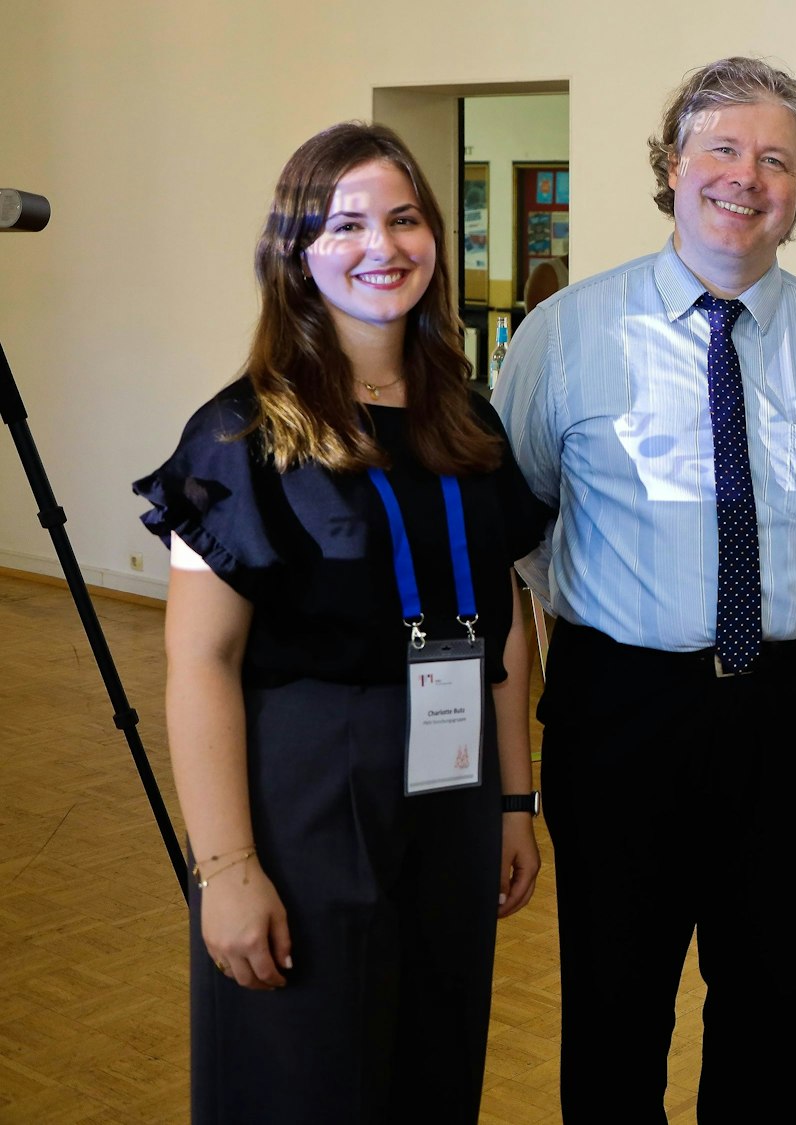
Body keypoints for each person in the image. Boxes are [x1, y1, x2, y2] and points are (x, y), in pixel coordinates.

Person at [492, 57, 796, 1122]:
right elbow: (524, 524)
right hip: (621, 713)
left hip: (792, 713)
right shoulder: (565, 335)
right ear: (672, 166)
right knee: (614, 1004)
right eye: (721, 148)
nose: (745, 177)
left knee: (768, 999)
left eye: (776, 160)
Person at [136, 122, 548, 1124]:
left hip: (452, 777)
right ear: (295, 251)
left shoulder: (469, 420)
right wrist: (225, 869)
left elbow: (506, 624)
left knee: (433, 1057)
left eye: (404, 219)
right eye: (347, 224)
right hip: (313, 777)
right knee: (304, 1068)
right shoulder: (241, 434)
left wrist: (514, 801)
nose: (383, 246)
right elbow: (200, 660)